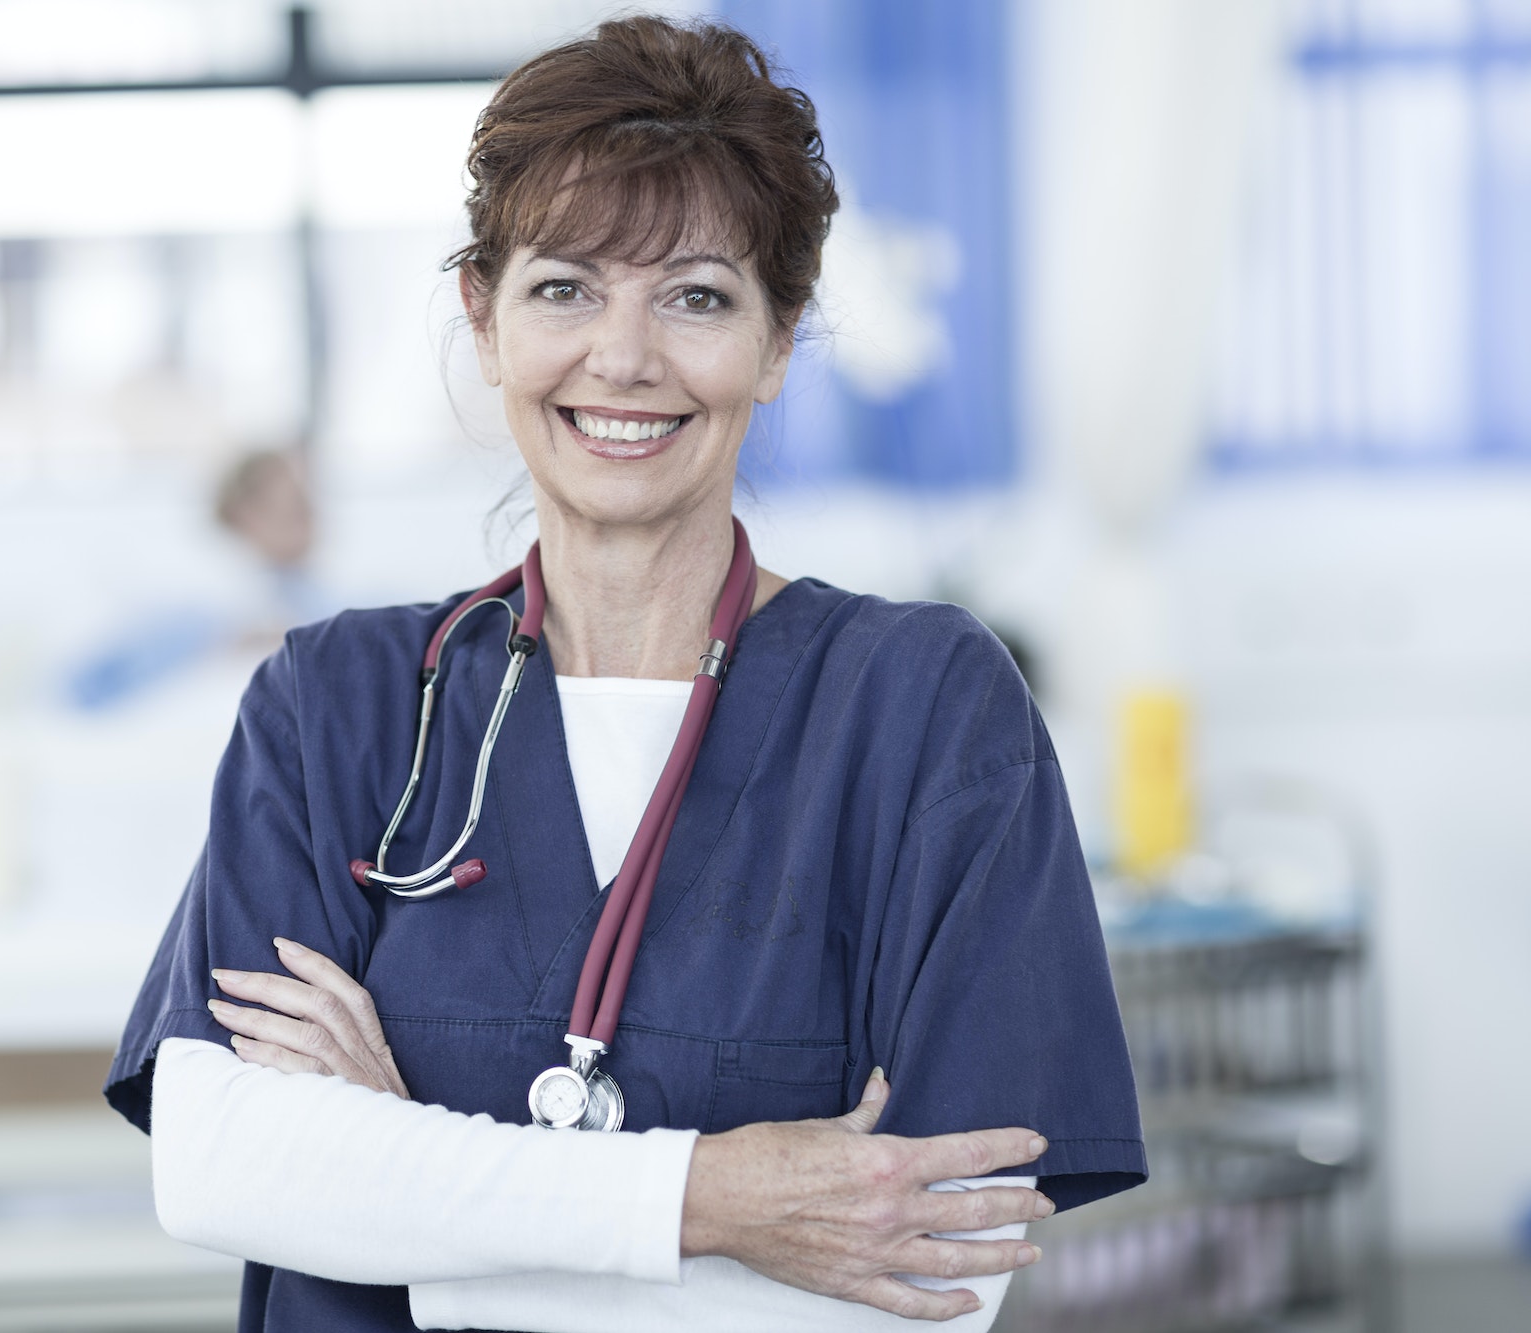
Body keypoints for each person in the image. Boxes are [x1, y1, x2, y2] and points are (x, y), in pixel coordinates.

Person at [106, 15, 1144, 1332]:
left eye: (697, 296)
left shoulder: (923, 709)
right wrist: (716, 1198)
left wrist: (401, 1183)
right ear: (484, 320)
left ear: (780, 339)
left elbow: (945, 1266)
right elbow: (221, 1166)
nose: (624, 356)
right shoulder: (337, 705)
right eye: (565, 288)